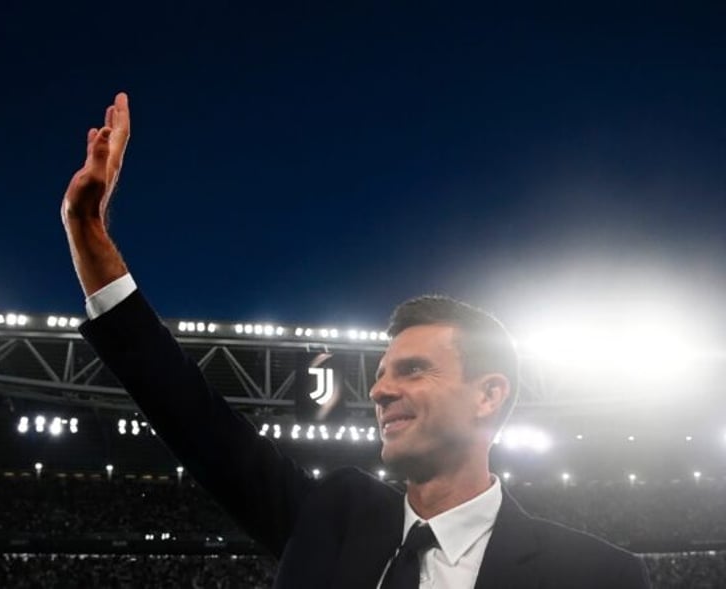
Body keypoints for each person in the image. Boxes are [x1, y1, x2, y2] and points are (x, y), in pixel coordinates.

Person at [62, 92, 651, 588]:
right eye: (384, 372)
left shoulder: (596, 574)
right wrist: (88, 231)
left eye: (413, 370)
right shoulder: (331, 519)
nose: (379, 390)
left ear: (488, 394)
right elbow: (191, 414)